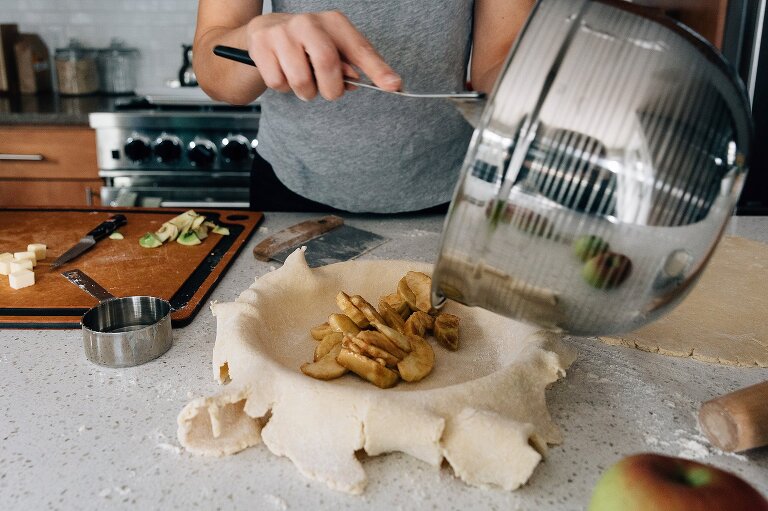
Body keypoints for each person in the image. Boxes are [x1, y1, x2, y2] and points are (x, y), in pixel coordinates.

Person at [194, 0, 534, 213]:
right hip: (291, 190)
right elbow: (214, 72)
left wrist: (546, 85)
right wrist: (256, 35)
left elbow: (500, 58)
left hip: (449, 193)